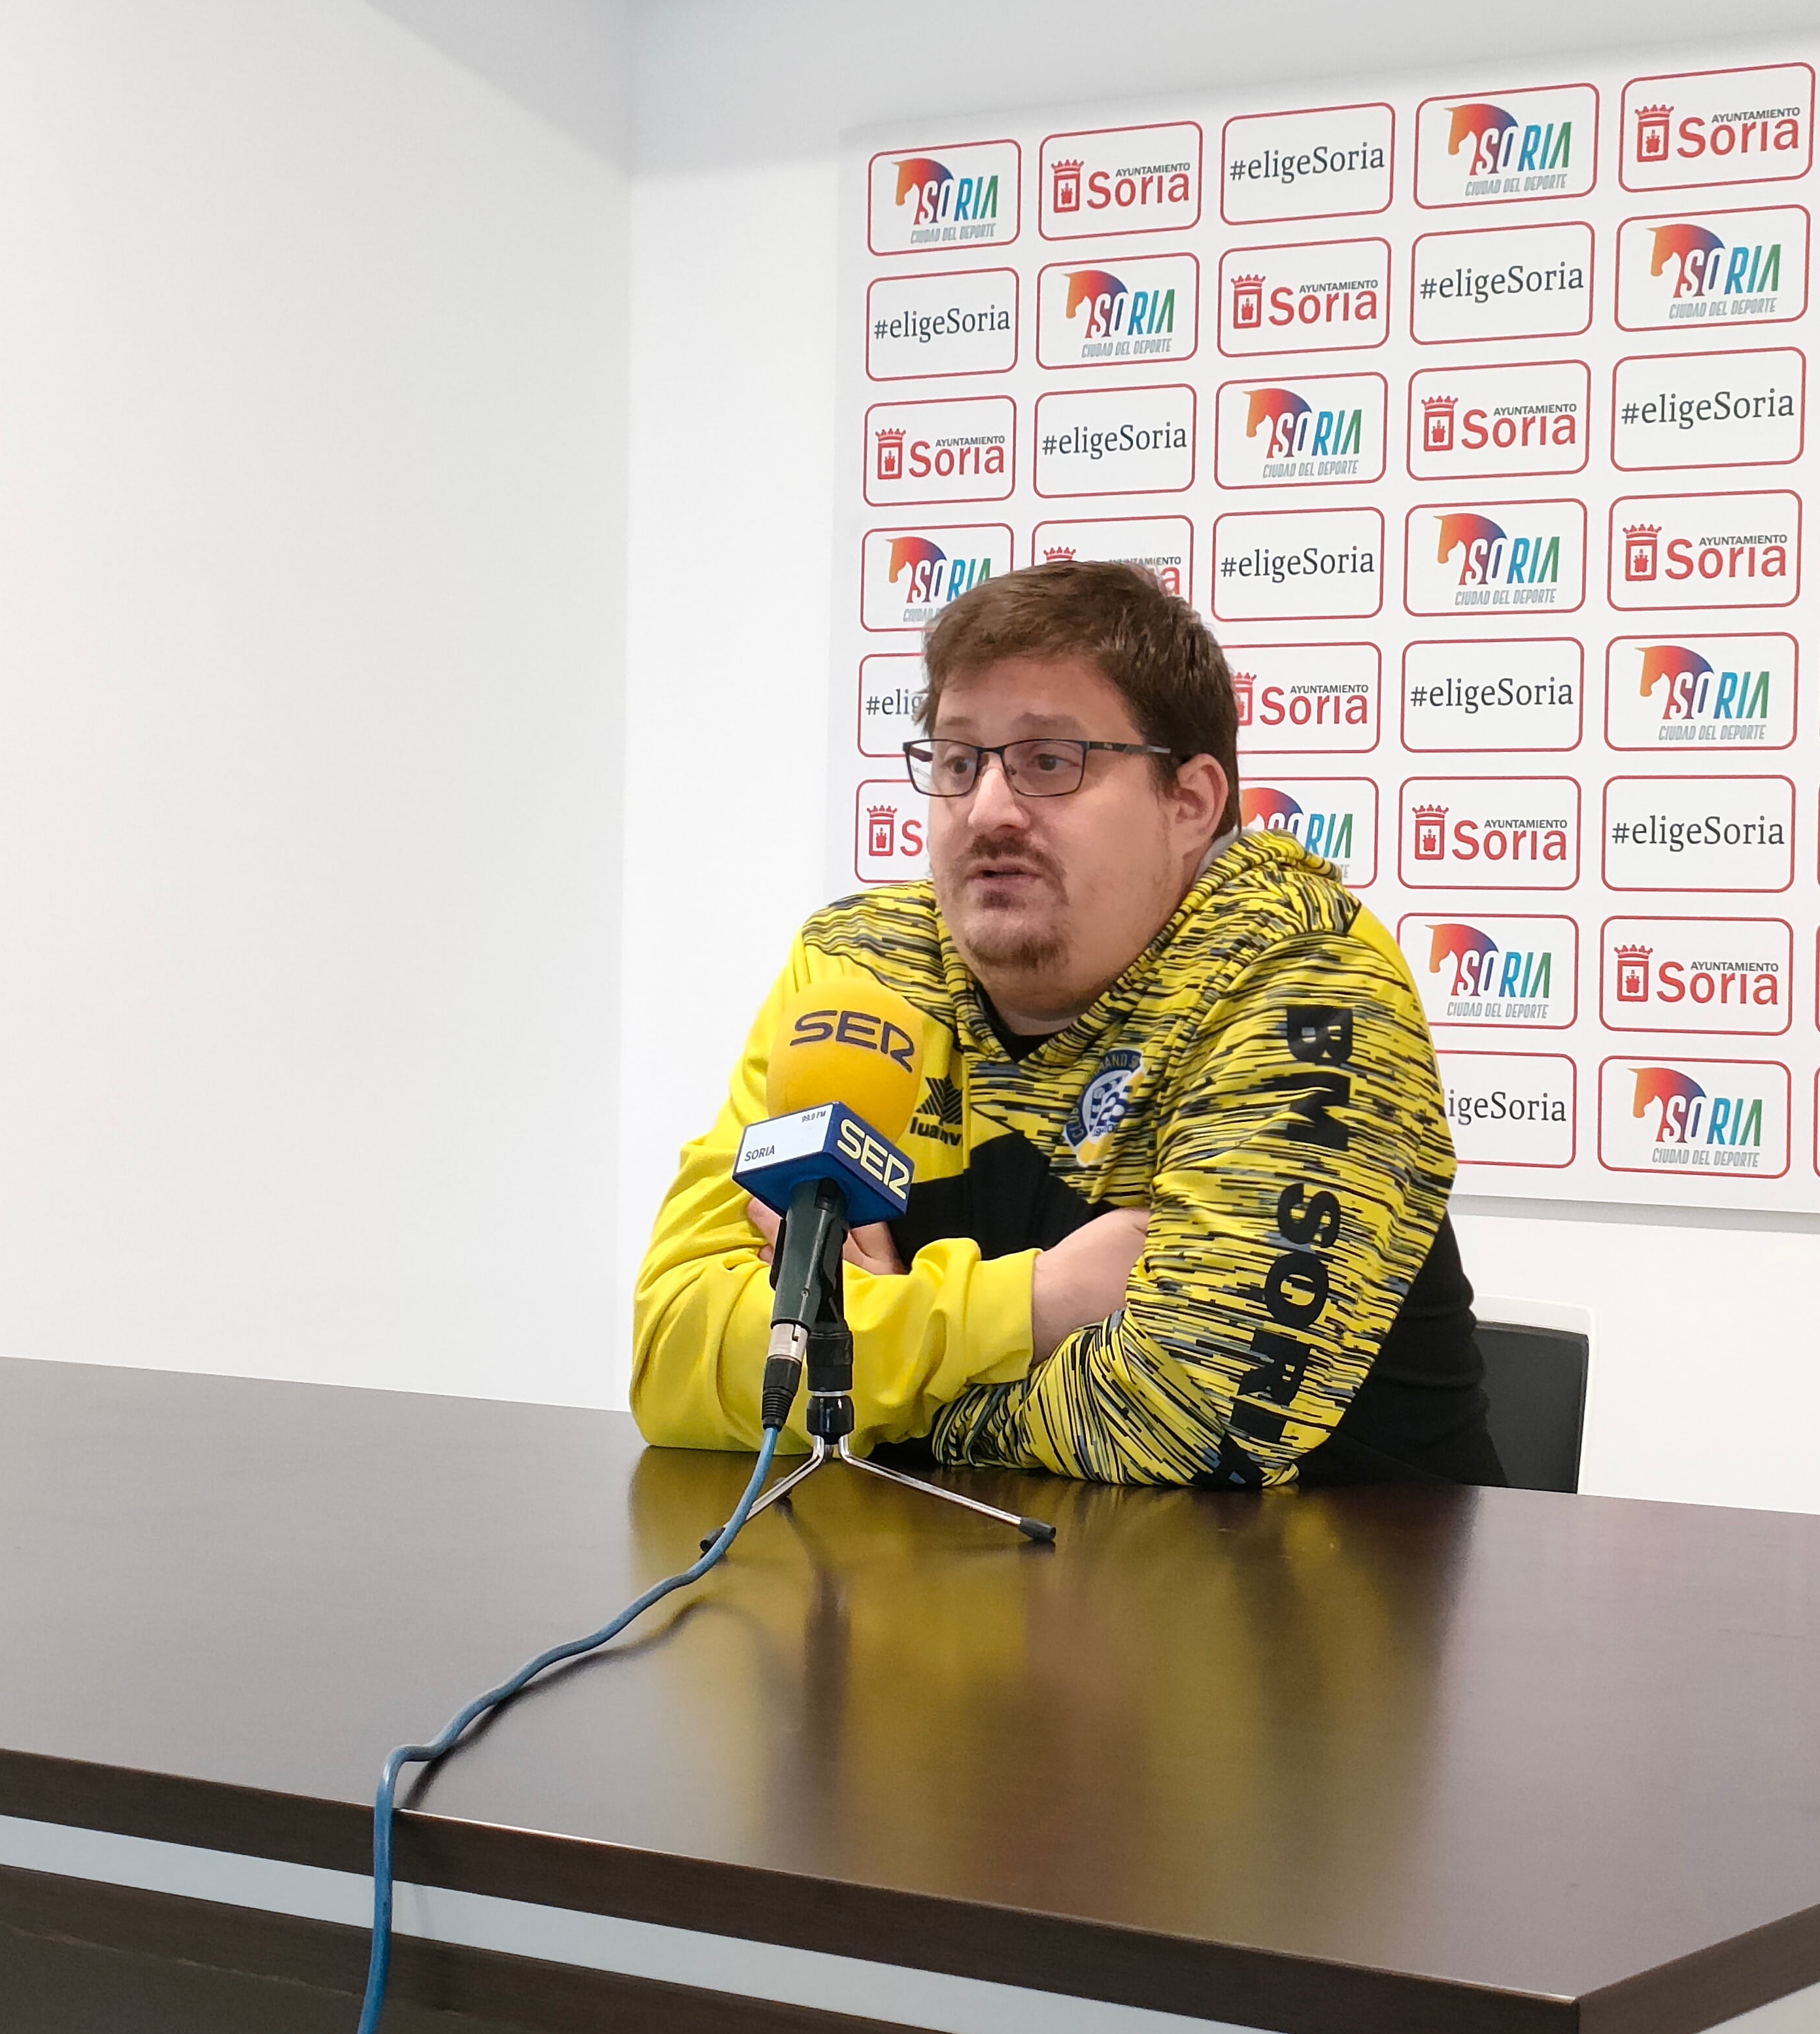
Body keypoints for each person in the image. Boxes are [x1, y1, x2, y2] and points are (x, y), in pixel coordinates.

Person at [632, 560, 1501, 1488]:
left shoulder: (1298, 967)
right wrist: (1034, 1307)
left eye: (1051, 762)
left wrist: (870, 1371)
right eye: (960, 762)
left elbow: (1174, 1421)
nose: (989, 810)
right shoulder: (860, 970)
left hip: (1316, 1604)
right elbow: (674, 1362)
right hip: (943, 1599)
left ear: (1191, 803)